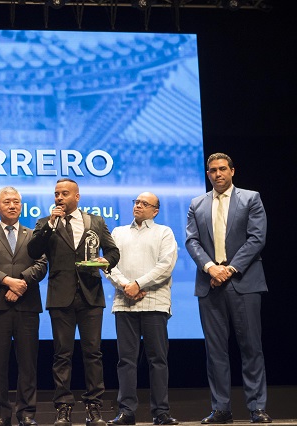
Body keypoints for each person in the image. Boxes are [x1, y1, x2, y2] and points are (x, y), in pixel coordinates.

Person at [185, 153, 272, 424]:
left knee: (251, 347)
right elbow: (192, 241)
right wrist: (211, 268)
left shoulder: (251, 198)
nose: (218, 174)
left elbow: (256, 238)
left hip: (243, 282)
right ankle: (221, 408)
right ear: (208, 174)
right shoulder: (197, 204)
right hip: (210, 284)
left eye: (223, 169)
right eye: (213, 170)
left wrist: (229, 269)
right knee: (215, 350)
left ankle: (257, 408)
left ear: (233, 171)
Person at [28, 178, 120, 426]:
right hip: (61, 296)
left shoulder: (95, 221)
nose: (59, 197)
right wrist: (49, 225)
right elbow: (33, 252)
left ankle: (94, 407)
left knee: (93, 353)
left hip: (91, 295)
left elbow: (113, 252)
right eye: (56, 194)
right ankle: (63, 407)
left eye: (64, 193)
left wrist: (105, 261)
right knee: (62, 355)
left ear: (76, 197)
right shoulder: (45, 223)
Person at [0, 187, 48, 426]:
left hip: (27, 306)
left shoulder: (33, 235)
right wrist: (8, 282)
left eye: (16, 201)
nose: (12, 205)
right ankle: (1, 415)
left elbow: (42, 263)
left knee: (28, 363)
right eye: (7, 202)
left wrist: (22, 283)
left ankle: (27, 413)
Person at [105, 192, 179, 426]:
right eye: (136, 202)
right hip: (124, 304)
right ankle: (126, 411)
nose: (138, 206)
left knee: (157, 359)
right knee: (126, 361)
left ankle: (161, 412)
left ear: (155, 210)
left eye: (144, 204)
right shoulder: (118, 232)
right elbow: (109, 264)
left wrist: (139, 284)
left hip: (155, 302)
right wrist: (126, 285)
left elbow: (166, 265)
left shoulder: (164, 232)